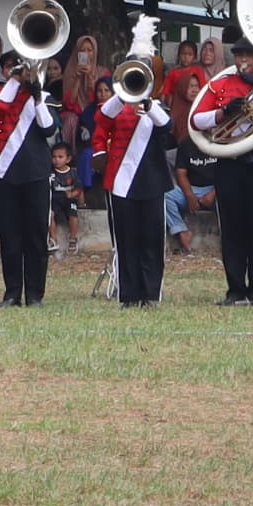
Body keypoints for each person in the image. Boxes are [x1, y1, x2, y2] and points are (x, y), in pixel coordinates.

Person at [190, 37, 253, 305]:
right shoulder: (220, 85)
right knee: (231, 228)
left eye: (248, 55)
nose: (243, 60)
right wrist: (222, 114)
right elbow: (196, 120)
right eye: (239, 54)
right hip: (229, 161)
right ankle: (235, 289)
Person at [94, 20, 172, 305]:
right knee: (126, 242)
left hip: (151, 182)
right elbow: (102, 118)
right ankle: (128, 295)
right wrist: (123, 92)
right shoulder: (116, 106)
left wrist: (149, 105)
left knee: (152, 242)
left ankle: (151, 294)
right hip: (122, 182)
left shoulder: (157, 107)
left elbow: (168, 128)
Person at [0, 35, 61, 306]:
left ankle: (35, 294)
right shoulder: (5, 92)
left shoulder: (46, 98)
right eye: (24, 67)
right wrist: (15, 81)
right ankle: (12, 292)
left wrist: (38, 97)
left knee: (36, 236)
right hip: (6, 171)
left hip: (36, 173)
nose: (28, 72)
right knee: (10, 235)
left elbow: (49, 128)